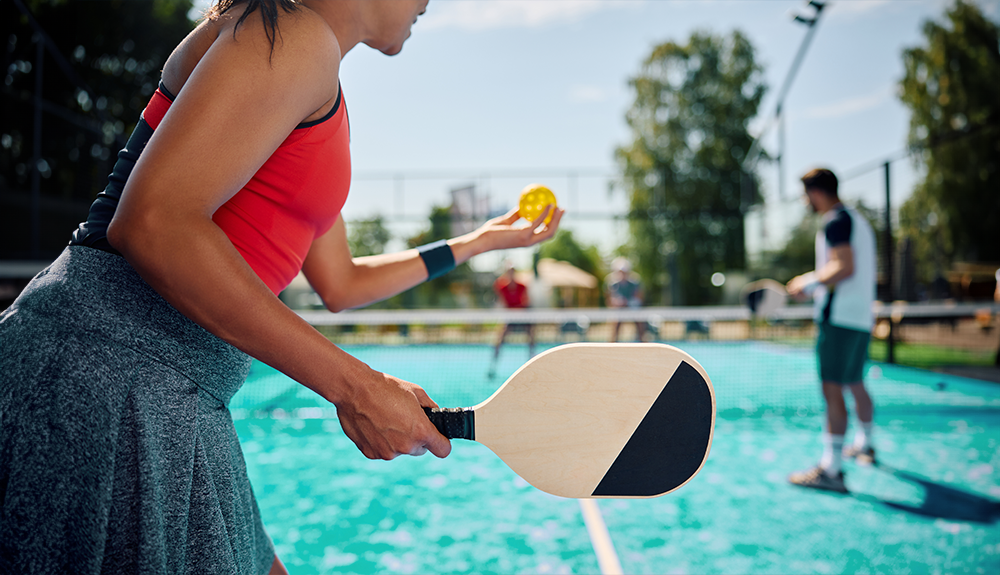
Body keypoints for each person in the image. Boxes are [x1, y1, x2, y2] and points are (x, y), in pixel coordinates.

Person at [0, 1, 564, 573]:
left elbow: (340, 282)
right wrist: (356, 388)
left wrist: (476, 244)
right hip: (112, 364)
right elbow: (153, 223)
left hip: (176, 379)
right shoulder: (294, 35)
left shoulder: (316, 85)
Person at [785, 168, 877, 494]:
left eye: (806, 194)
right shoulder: (858, 221)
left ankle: (832, 469)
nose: (804, 200)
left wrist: (807, 284)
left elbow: (844, 266)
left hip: (838, 320)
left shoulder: (836, 221)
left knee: (832, 390)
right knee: (855, 382)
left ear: (818, 193)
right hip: (860, 318)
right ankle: (865, 443)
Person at [488, 260, 535, 379]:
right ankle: (493, 366)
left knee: (532, 337)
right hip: (510, 318)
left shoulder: (522, 286)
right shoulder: (503, 286)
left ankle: (533, 362)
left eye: (513, 271)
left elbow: (526, 301)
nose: (511, 273)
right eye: (509, 271)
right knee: (499, 340)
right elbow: (496, 285)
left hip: (523, 316)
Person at [605, 257, 646, 342]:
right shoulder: (612, 284)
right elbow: (610, 299)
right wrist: (616, 303)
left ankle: (643, 342)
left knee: (640, 322)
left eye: (624, 272)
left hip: (632, 308)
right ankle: (612, 345)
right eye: (620, 272)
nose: (622, 274)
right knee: (615, 324)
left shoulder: (635, 283)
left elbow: (639, 297)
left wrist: (628, 302)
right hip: (619, 310)